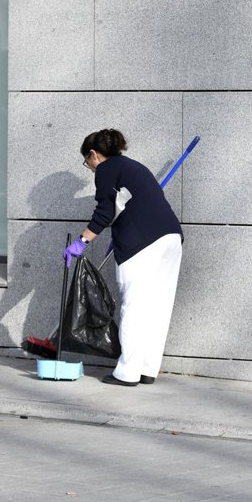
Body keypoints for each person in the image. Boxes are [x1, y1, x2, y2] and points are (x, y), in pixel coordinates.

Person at [63, 128, 183, 387]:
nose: (91, 168)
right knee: (157, 306)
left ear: (94, 154)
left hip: (142, 243)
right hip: (171, 238)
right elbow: (129, 205)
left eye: (88, 162)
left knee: (134, 305)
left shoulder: (106, 169)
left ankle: (127, 372)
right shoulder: (134, 167)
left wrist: (81, 242)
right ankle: (147, 369)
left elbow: (105, 211)